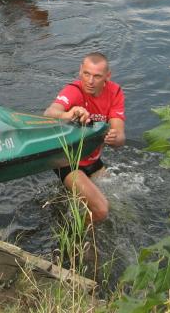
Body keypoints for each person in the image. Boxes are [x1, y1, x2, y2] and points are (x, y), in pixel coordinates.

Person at [44, 52, 126, 223]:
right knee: (101, 210)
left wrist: (114, 137)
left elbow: (120, 138)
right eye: (86, 74)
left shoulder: (115, 92)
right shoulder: (74, 90)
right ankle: (75, 236)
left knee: (122, 207)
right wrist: (68, 114)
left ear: (107, 76)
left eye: (97, 76)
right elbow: (49, 113)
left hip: (92, 158)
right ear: (80, 70)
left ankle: (74, 219)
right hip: (67, 160)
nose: (90, 81)